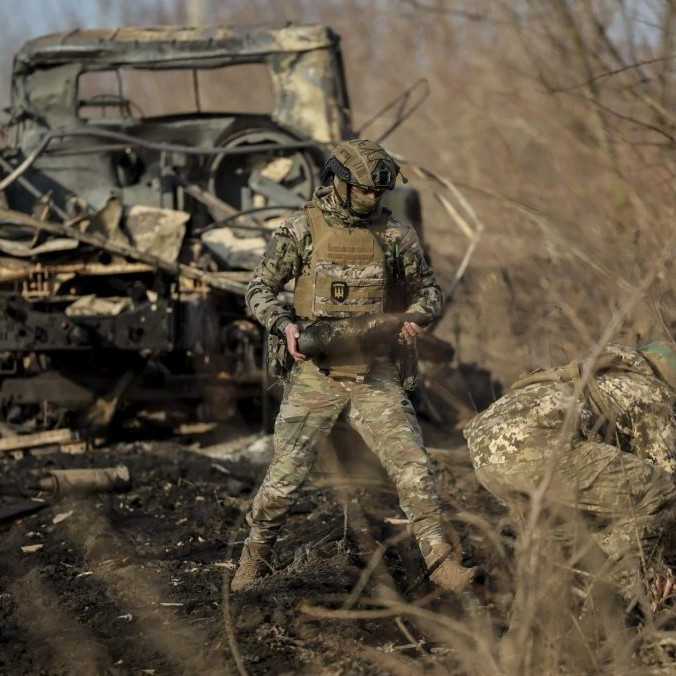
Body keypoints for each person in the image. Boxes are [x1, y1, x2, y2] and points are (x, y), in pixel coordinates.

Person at [230, 139, 475, 592]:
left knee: (414, 469)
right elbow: (258, 289)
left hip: (374, 374)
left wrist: (417, 320)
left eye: (378, 193)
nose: (372, 199)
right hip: (315, 376)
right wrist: (283, 326)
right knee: (284, 482)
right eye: (363, 190)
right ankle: (255, 556)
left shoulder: (395, 234)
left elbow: (430, 293)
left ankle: (441, 563)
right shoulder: (302, 228)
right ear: (339, 183)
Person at [464, 341, 676, 609]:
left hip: (486, 454)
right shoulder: (651, 392)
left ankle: (524, 637)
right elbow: (665, 480)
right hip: (535, 445)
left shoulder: (595, 375)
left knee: (561, 543)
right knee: (659, 491)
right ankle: (610, 611)